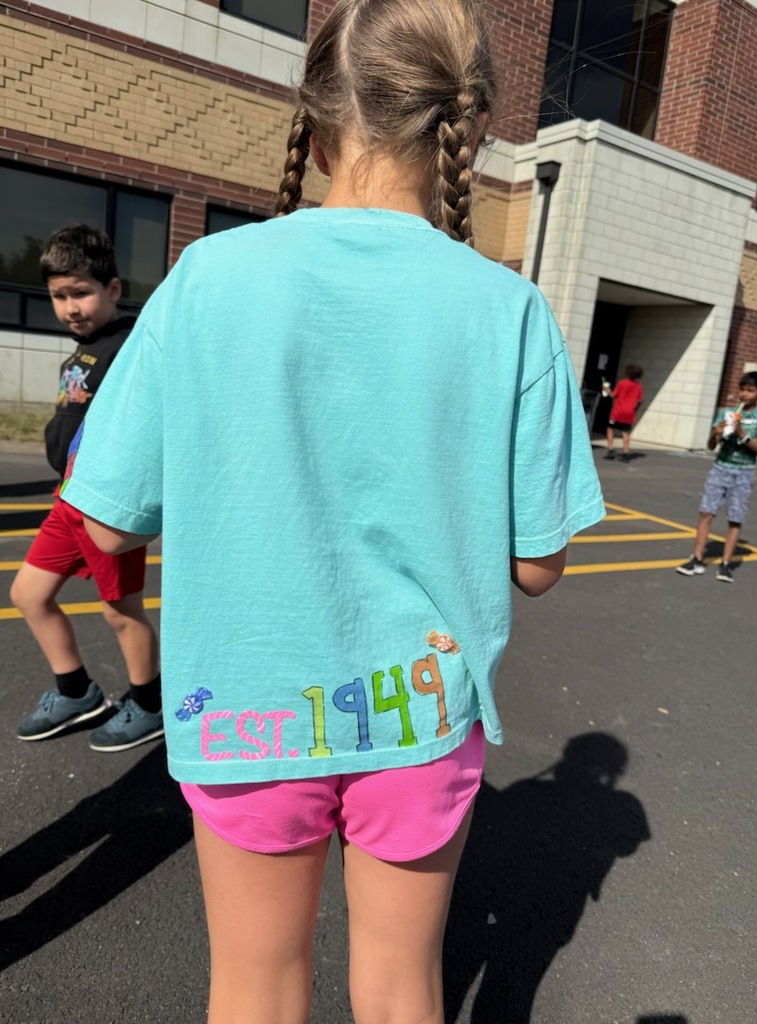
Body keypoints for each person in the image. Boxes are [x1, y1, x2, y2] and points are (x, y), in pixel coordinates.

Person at [62, 1, 605, 1021]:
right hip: (421, 710)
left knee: (255, 985)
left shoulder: (209, 279)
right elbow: (538, 562)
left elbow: (107, 521)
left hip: (246, 704)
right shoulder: (511, 309)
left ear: (312, 131)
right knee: (403, 987)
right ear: (467, 127)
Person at [12, 225, 162, 752]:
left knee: (121, 612)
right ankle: (76, 691)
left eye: (82, 292)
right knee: (27, 594)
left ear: (113, 290)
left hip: (106, 504)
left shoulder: (129, 347)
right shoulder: (78, 354)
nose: (70, 306)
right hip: (66, 500)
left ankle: (149, 704)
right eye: (59, 296)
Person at [676, 371, 757, 583]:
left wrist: (740, 433)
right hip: (720, 468)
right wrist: (716, 432)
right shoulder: (726, 412)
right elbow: (711, 446)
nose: (744, 394)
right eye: (742, 389)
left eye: (750, 390)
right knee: (706, 512)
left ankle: (726, 564)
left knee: (735, 518)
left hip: (743, 473)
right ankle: (696, 558)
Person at [604, 364, 644, 461]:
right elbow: (639, 401)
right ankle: (626, 452)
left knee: (610, 429)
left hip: (618, 412)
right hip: (629, 413)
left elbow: (613, 395)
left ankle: (610, 449)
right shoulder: (638, 386)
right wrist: (635, 410)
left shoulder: (622, 383)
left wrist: (607, 390)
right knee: (625, 433)